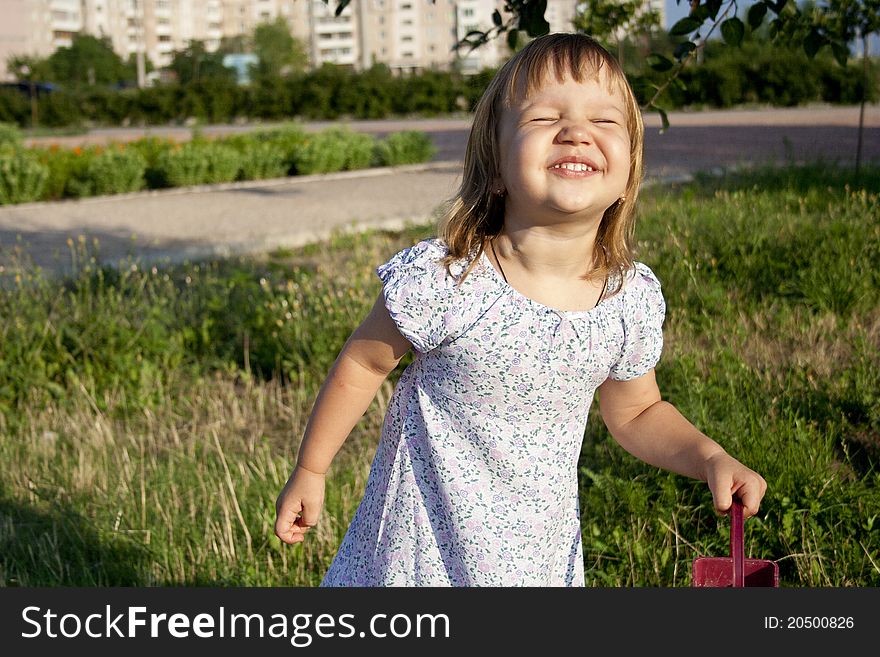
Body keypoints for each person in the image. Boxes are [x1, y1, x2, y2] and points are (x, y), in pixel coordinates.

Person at [274, 32, 767, 586]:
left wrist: (709, 458)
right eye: (543, 118)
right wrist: (311, 468)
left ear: (629, 172)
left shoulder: (626, 300)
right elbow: (365, 363)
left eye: (604, 122)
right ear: (496, 164)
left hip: (536, 558)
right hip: (419, 552)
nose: (576, 132)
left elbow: (636, 414)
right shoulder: (448, 280)